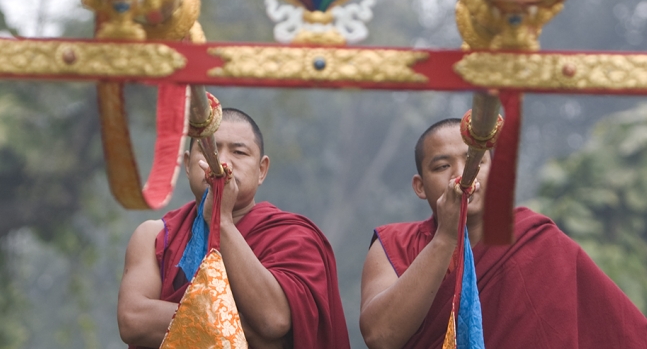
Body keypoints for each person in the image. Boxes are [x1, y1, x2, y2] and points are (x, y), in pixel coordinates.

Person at [359, 118, 647, 349]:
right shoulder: (394, 244)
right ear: (420, 186)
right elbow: (381, 337)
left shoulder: (538, 241)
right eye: (442, 166)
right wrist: (446, 237)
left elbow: (617, 331)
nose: (462, 175)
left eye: (477, 161)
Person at [117, 107, 350, 349]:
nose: (222, 162)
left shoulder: (294, 237)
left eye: (239, 152)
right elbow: (133, 321)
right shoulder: (155, 236)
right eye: (210, 150)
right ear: (187, 164)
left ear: (262, 170)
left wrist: (222, 222)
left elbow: (272, 320)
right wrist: (242, 327)